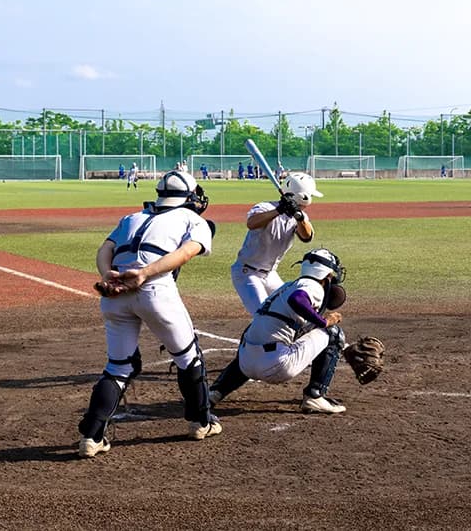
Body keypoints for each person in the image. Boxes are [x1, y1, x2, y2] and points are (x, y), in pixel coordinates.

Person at [76, 170, 219, 458]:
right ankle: (200, 422)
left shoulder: (132, 217)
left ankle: (91, 437)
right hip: (155, 290)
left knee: (118, 366)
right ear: (189, 197)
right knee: (188, 356)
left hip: (116, 295)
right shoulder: (193, 219)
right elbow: (186, 252)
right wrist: (143, 274)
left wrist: (108, 277)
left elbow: (105, 249)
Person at [209, 248, 349, 414]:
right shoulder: (313, 286)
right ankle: (314, 395)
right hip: (276, 366)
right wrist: (324, 321)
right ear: (325, 275)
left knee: (254, 333)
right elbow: (297, 299)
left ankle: (216, 392)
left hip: (245, 364)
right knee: (333, 333)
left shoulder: (287, 286)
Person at [231, 172, 320, 315]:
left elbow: (307, 237)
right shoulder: (265, 207)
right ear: (304, 196)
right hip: (247, 272)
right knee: (263, 316)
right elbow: (252, 223)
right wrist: (279, 210)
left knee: (292, 309)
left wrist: (298, 216)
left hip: (270, 274)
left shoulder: (300, 216)